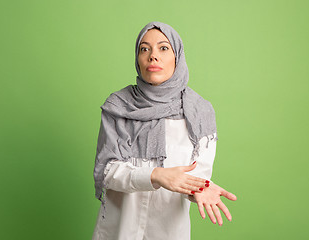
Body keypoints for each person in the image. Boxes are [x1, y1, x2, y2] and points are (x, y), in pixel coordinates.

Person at [92, 21, 237, 240]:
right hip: (119, 231)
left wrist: (199, 188)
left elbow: (196, 175)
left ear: (177, 57)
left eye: (163, 48)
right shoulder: (119, 106)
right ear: (137, 59)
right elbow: (107, 172)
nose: (153, 56)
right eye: (144, 49)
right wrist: (155, 175)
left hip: (168, 232)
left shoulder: (199, 112)